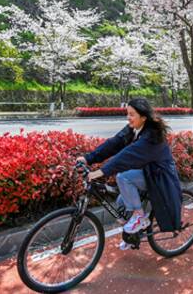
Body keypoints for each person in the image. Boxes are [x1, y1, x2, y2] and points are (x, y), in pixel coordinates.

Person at [76, 98, 182, 250]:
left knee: (123, 177)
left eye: (132, 114)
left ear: (143, 117)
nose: (128, 118)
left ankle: (139, 217)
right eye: (127, 113)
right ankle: (132, 235)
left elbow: (126, 155)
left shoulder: (151, 137)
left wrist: (100, 172)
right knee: (121, 202)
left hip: (159, 175)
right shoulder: (133, 129)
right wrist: (88, 158)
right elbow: (113, 143)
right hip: (145, 171)